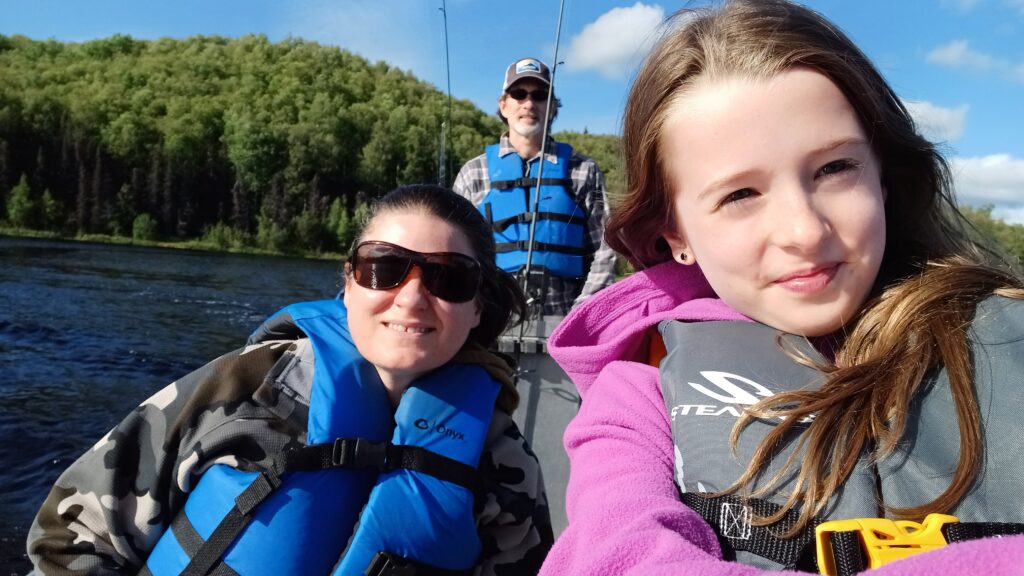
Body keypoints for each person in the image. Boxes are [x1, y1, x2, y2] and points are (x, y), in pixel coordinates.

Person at [538, 1, 1024, 574]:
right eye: (739, 195)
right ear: (676, 235)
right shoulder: (637, 400)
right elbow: (613, 553)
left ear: (885, 177)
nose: (803, 231)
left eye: (835, 169)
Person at [27, 185, 553, 575]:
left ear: (479, 304)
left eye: (450, 277)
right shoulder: (247, 386)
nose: (412, 298)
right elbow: (73, 535)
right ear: (348, 284)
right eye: (383, 268)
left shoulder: (501, 458)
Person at [453, 57, 617, 536]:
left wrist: (584, 312)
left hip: (563, 324)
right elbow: (457, 253)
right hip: (492, 329)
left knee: (559, 441)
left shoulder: (583, 172)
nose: (530, 104)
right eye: (520, 95)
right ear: (503, 105)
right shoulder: (474, 174)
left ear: (552, 107)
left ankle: (567, 532)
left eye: (539, 95)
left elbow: (606, 247)